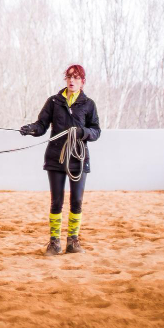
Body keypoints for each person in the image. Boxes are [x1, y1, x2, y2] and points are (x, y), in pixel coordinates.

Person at [20, 65, 101, 256]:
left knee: (77, 200)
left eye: (76, 77)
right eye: (69, 77)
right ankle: (54, 242)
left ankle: (73, 241)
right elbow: (41, 125)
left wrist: (82, 132)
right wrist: (31, 129)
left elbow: (96, 131)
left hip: (78, 159)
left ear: (82, 82)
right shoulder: (54, 101)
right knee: (56, 201)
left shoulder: (89, 104)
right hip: (56, 157)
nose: (72, 80)